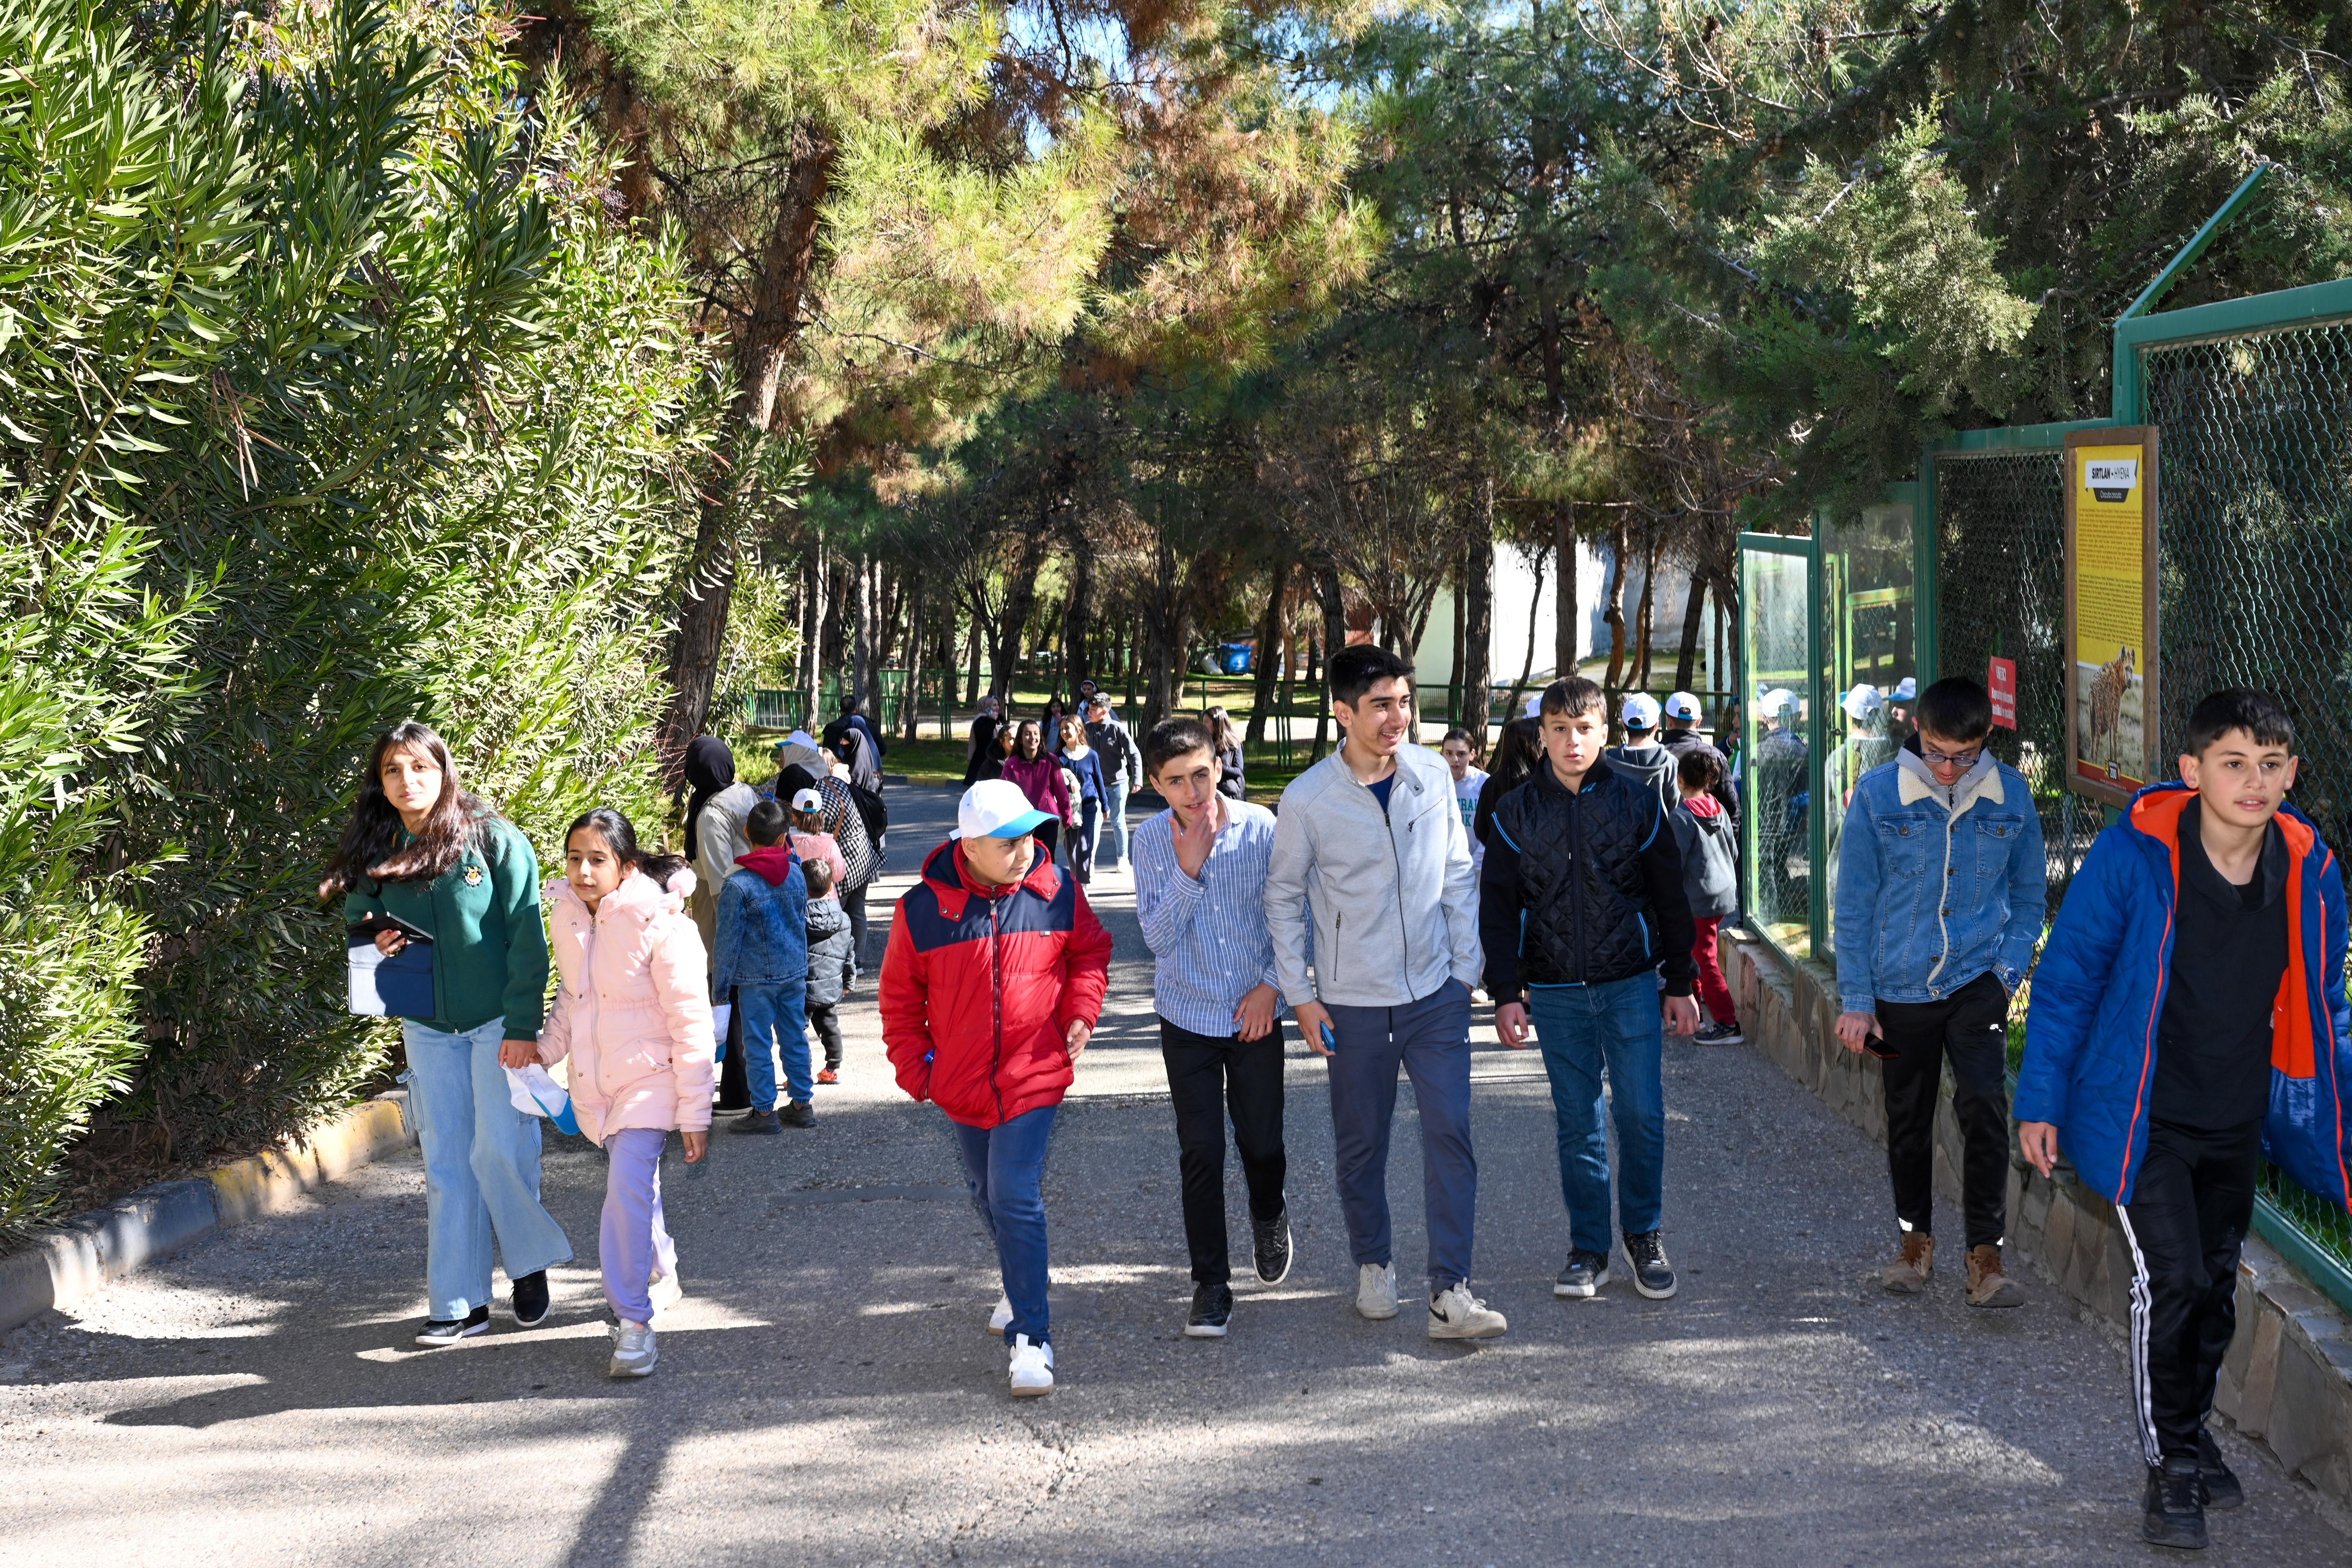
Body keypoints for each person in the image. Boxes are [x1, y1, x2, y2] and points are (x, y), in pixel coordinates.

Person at [2019, 688, 2352, 1551]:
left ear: (2292, 773)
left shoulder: (2309, 867)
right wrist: (2041, 1099)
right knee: (2168, 1281)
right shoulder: (2137, 857)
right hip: (2142, 1119)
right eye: (2234, 762)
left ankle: (2193, 1425)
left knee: (2212, 1283)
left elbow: (2325, 1005)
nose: (2255, 780)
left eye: (2272, 764)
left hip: (2237, 1117)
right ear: (2192, 769)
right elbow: (2068, 980)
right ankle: (2169, 1464)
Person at [1265, 645, 1503, 1339]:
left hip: (1436, 994)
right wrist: (1301, 996)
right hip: (1352, 1003)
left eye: (1404, 701)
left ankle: (1450, 1291)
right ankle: (1373, 1264)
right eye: (1381, 705)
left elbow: (1459, 872)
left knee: (1450, 1134)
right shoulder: (1308, 799)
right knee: (1361, 1142)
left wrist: (1466, 971)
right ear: (1343, 713)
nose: (1398, 716)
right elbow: (1282, 898)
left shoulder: (1432, 772)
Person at [326, 722, 572, 1345]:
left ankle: (528, 1264)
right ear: (380, 782)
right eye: (392, 771)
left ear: (444, 770)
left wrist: (523, 1026)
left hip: (497, 1025)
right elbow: (360, 917)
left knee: (498, 1150)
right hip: (428, 1027)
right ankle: (460, 1301)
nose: (407, 782)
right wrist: (376, 932)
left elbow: (527, 939)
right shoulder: (379, 846)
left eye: (419, 768)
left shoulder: (493, 838)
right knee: (445, 1160)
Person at [880, 779, 1113, 1397]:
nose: (1026, 848)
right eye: (1008, 840)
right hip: (960, 1084)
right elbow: (901, 1002)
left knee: (1013, 1193)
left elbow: (1090, 952)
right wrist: (919, 1071)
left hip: (1034, 1076)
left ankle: (1032, 1338)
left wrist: (1081, 1013)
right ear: (971, 845)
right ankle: (1021, 1279)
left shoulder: (1057, 889)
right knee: (987, 1192)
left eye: (1030, 833)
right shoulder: (921, 910)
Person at [1482, 677, 1701, 1304]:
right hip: (1553, 991)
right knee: (1579, 1122)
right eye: (1559, 729)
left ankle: (1644, 1236)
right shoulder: (1514, 811)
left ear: (1604, 732)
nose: (1572, 740)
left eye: (1584, 728)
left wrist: (1681, 980)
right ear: (1541, 735)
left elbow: (1670, 896)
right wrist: (1506, 991)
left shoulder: (1639, 802)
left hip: (1631, 982)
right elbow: (1497, 908)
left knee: (1640, 1112)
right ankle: (1588, 1249)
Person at [1834, 677, 2044, 1311]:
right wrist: (1855, 999)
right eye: (1936, 751)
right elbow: (1854, 906)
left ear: (1987, 741)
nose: (1949, 768)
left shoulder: (2013, 797)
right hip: (1897, 990)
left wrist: (2005, 975)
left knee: (1984, 1106)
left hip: (1977, 983)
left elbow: (2031, 898)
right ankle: (1913, 1243)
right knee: (1908, 1117)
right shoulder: (1876, 797)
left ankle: (1986, 1258)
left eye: (1964, 755)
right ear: (1917, 733)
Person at [538, 808, 714, 1378]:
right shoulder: (567, 917)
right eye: (574, 858)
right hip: (599, 1088)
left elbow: (691, 1022)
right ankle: (663, 1269)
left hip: (650, 1082)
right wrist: (540, 1051)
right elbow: (574, 998)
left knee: (624, 1189)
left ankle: (632, 1325)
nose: (583, 871)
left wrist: (695, 1112)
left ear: (627, 867)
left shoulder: (663, 926)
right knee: (636, 1186)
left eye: (597, 859)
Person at [1133, 716, 1291, 1338]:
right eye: (1176, 782)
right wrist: (1188, 868)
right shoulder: (1150, 842)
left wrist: (1273, 984)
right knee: (1200, 1150)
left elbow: (1292, 914)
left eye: (1201, 773)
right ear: (1155, 784)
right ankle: (1211, 1284)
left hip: (1256, 1014)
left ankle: (1269, 1210)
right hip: (1188, 1017)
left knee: (1262, 1143)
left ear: (1219, 764)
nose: (1193, 792)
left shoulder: (1260, 828)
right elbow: (1158, 937)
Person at [712, 798, 812, 1135]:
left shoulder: (738, 884)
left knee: (757, 1043)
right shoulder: (797, 873)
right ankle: (801, 1103)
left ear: (745, 833)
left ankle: (765, 1110)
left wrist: (720, 989)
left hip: (756, 977)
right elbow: (802, 921)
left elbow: (727, 942)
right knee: (794, 1036)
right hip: (794, 971)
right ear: (785, 838)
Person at [683, 736, 759, 1112]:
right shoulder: (744, 792)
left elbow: (719, 883)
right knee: (744, 999)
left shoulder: (710, 813)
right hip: (756, 902)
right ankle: (747, 1089)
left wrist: (725, 937)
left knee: (725, 996)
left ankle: (737, 1094)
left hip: (725, 912)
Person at [1670, 748, 1744, 1046]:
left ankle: (1727, 1023)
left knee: (1705, 959)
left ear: (1681, 778)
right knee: (1697, 955)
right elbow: (1734, 850)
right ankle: (1694, 1014)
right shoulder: (1718, 807)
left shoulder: (1681, 817)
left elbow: (1675, 862)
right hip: (1722, 892)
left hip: (1697, 898)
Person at [777, 762, 877, 977]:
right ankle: (852, 963)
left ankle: (815, 967)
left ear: (795, 814)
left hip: (835, 870)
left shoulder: (791, 840)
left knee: (819, 930)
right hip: (856, 859)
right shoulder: (827, 786)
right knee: (853, 913)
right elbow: (837, 868)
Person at [1754, 688, 1810, 916]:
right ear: (1797, 718)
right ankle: (1783, 908)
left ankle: (1772, 912)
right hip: (1792, 821)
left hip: (1763, 820)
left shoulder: (1758, 750)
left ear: (1765, 719)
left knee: (1768, 867)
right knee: (1779, 864)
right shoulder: (1804, 750)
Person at [802, 859, 852, 1085]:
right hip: (831, 986)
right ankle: (832, 1068)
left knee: (795, 1031)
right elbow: (849, 950)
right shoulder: (843, 919)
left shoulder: (799, 917)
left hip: (802, 987)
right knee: (830, 1027)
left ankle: (800, 1073)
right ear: (831, 886)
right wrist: (848, 981)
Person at [998, 719, 1072, 863]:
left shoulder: (1051, 761)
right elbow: (1004, 793)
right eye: (1027, 734)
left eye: (1035, 734)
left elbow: (1061, 791)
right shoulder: (1012, 764)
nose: (1032, 738)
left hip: (1048, 819)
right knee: (1027, 861)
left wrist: (1067, 815)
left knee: (1047, 860)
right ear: (1020, 739)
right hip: (1023, 821)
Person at [1661, 691, 1738, 825]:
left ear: (1668, 720)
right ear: (1700, 721)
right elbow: (1732, 808)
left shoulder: (1657, 757)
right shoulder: (1715, 756)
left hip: (1664, 841)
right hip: (1707, 841)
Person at [1473, 715, 1543, 859]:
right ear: (1534, 746)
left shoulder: (1491, 784)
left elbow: (1480, 829)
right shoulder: (1540, 783)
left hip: (1500, 861)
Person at [1085, 694, 1141, 869]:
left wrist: (1137, 779)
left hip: (1117, 784)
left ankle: (1123, 858)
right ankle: (1090, 860)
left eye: (1093, 710)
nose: (1089, 712)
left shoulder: (1118, 729)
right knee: (1095, 821)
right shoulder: (1087, 729)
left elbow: (1134, 755)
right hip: (1094, 786)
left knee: (1117, 821)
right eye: (1089, 709)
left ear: (1104, 711)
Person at [1604, 692, 1677, 812]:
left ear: (1624, 725)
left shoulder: (1607, 762)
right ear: (1656, 726)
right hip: (1659, 831)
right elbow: (1677, 808)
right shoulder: (1669, 763)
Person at [1057, 716, 1108, 885]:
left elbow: (1099, 781)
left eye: (1068, 728)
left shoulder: (1091, 755)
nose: (1064, 732)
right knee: (1071, 848)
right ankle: (1077, 879)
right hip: (1068, 808)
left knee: (1085, 845)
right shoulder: (1059, 757)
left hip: (1088, 806)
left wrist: (1105, 805)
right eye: (1062, 728)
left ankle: (1083, 884)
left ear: (1078, 730)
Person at [1440, 726, 1489, 875]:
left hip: (1477, 868)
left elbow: (1491, 830)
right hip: (1444, 868)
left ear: (1472, 754)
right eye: (1449, 753)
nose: (1455, 760)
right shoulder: (1435, 783)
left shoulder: (1484, 783)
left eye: (1461, 754)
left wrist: (1474, 863)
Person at [824, 696, 885, 762]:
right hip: (870, 766)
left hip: (842, 767)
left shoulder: (832, 728)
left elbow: (827, 754)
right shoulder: (869, 724)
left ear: (841, 712)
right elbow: (883, 749)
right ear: (856, 709)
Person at [1207, 707, 1247, 800]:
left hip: (1232, 795)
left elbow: (1238, 770)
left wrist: (1219, 767)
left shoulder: (1234, 744)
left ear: (1216, 723)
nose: (1203, 725)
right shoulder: (1206, 744)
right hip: (1212, 795)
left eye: (1206, 722)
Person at [963, 697, 1002, 787]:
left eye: (998, 705)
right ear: (986, 706)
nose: (997, 708)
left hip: (994, 755)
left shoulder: (998, 718)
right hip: (982, 756)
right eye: (994, 705)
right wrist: (992, 721)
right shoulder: (980, 720)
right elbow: (984, 735)